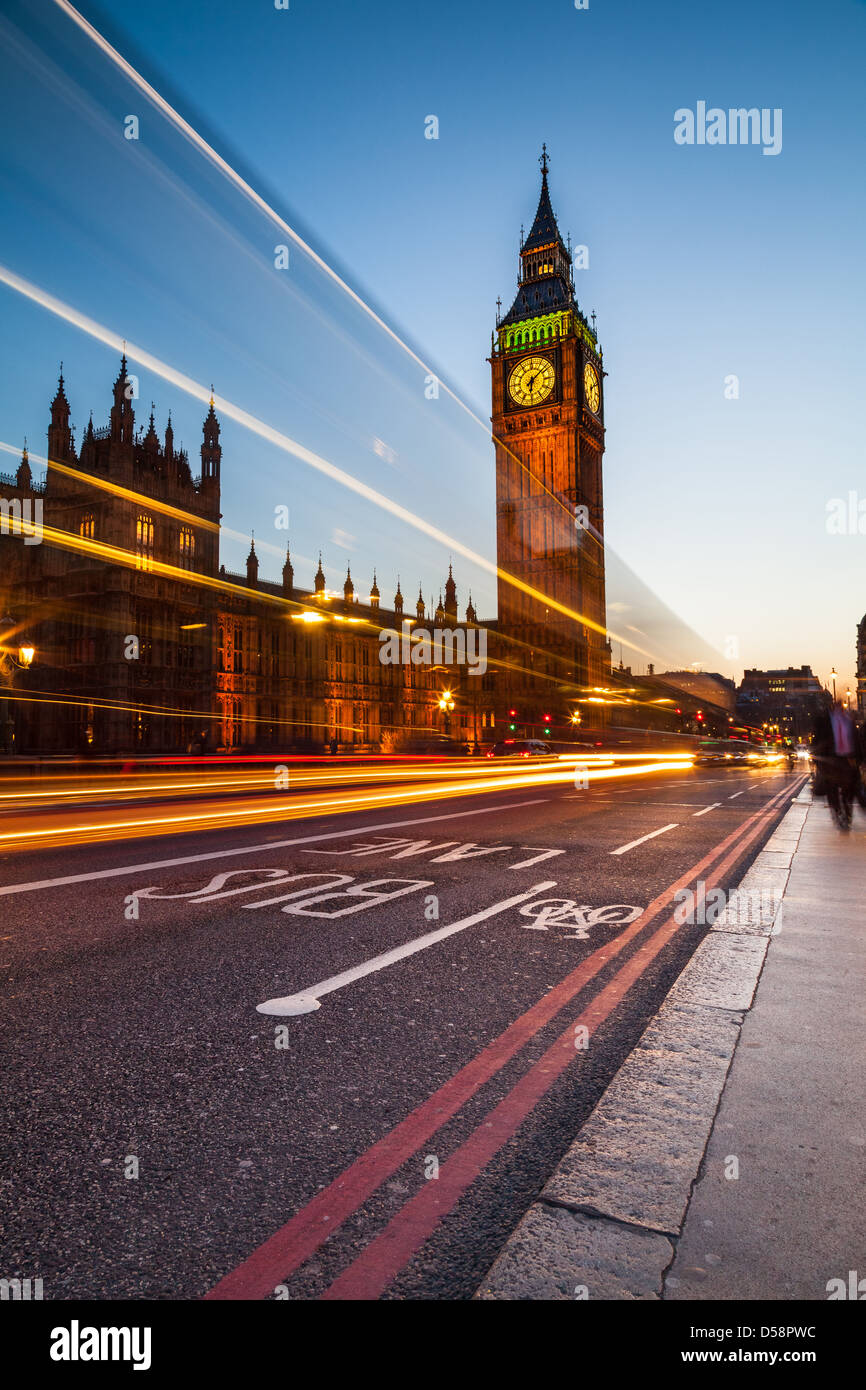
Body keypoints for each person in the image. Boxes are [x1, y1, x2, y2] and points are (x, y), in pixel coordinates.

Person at [812, 701, 858, 828]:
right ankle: (838, 812)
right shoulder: (824, 720)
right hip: (830, 758)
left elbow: (856, 739)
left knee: (850, 787)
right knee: (831, 788)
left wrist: (859, 759)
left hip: (848, 758)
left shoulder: (849, 720)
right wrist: (817, 757)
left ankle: (847, 811)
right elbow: (817, 739)